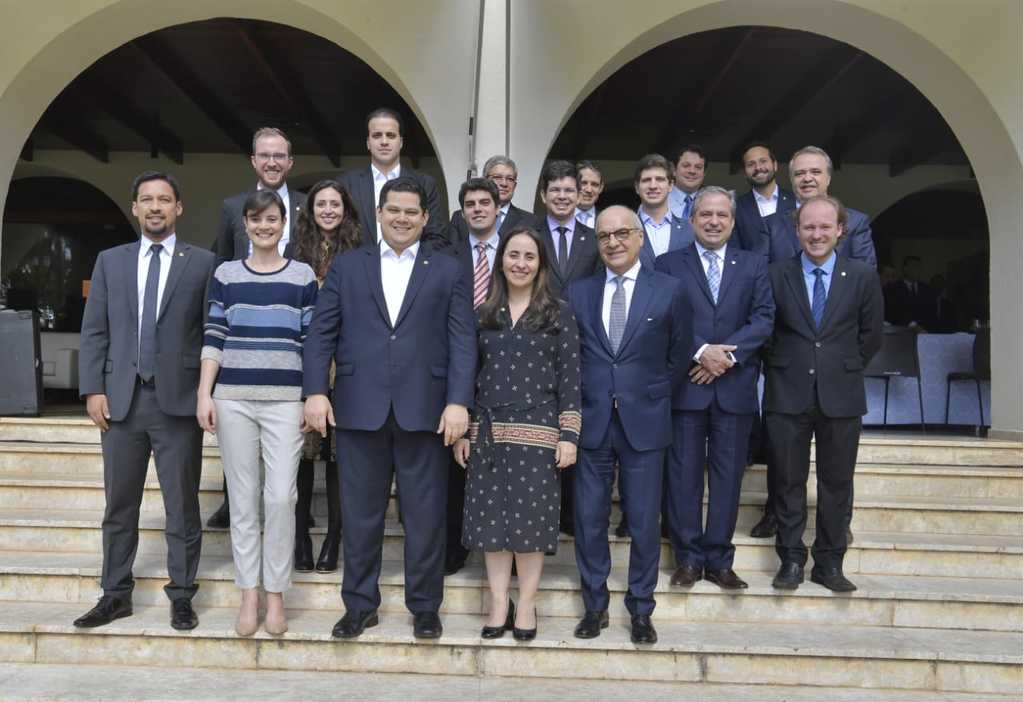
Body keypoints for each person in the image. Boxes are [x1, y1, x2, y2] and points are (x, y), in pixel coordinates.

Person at [303, 177, 476, 640]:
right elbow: (322, 333)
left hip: (427, 411)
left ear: (424, 218)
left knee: (425, 516)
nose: (401, 218)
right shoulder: (347, 267)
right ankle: (359, 606)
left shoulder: (447, 269)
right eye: (393, 209)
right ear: (379, 213)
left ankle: (425, 607)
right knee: (360, 516)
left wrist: (459, 401)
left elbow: (463, 340)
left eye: (411, 212)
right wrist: (316, 391)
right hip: (359, 410)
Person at [74, 171, 214, 631]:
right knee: (119, 506)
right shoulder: (111, 261)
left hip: (178, 403)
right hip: (121, 402)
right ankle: (115, 594)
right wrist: (93, 387)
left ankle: (181, 595)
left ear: (179, 208)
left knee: (182, 506)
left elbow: (211, 334)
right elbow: (95, 330)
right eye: (147, 200)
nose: (156, 207)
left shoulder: (203, 263)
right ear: (135, 207)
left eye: (165, 200)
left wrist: (206, 394)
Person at [197, 190, 317, 635]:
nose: (264, 226)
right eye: (255, 219)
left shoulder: (303, 275)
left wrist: (312, 396)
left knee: (282, 497)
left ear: (284, 223)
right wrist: (204, 394)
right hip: (233, 399)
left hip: (286, 400)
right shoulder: (226, 274)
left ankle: (276, 593)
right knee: (243, 501)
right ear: (244, 225)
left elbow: (312, 342)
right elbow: (214, 335)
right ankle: (249, 593)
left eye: (272, 219)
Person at [567, 206, 688, 645]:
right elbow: (571, 358)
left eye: (622, 233)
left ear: (640, 238)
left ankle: (641, 609)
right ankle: (594, 607)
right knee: (589, 519)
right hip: (592, 420)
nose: (613, 242)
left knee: (642, 521)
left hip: (646, 422)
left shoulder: (670, 291)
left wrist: (650, 393)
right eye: (604, 236)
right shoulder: (579, 292)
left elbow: (678, 355)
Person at [454, 225, 581, 641]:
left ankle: (525, 604)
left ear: (540, 263)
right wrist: (464, 433)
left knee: (529, 526)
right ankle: (497, 602)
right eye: (513, 255)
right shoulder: (483, 314)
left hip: (540, 433)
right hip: (488, 434)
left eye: (529, 256)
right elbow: (469, 377)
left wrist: (569, 434)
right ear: (501, 261)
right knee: (493, 527)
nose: (520, 263)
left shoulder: (558, 312)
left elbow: (571, 379)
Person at [750, 145, 878, 539]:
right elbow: (763, 298)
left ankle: (835, 534)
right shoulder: (773, 226)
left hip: (836, 369)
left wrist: (841, 360)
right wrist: (780, 360)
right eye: (800, 173)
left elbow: (866, 312)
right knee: (785, 464)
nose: (807, 178)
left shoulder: (856, 223)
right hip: (789, 369)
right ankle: (778, 518)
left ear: (828, 176)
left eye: (815, 172)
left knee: (837, 472)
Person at [655, 186, 774, 590]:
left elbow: (763, 319)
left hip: (735, 388)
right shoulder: (668, 264)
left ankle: (720, 561)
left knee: (727, 478)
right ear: (691, 220)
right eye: (705, 214)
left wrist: (725, 358)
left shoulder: (755, 264)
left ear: (733, 221)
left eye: (722, 215)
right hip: (687, 386)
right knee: (684, 476)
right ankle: (688, 559)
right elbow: (660, 319)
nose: (713, 221)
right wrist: (701, 351)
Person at [764, 195, 883, 593]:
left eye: (824, 227)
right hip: (786, 391)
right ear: (797, 232)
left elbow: (871, 336)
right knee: (786, 481)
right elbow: (766, 331)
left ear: (840, 231)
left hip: (842, 393)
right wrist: (785, 365)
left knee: (837, 483)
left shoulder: (862, 275)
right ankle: (791, 560)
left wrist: (841, 367)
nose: (816, 234)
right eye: (808, 227)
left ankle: (830, 564)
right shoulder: (776, 274)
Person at [207, 126, 304, 529]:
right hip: (241, 338)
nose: (272, 162)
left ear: (290, 161)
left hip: (286, 337)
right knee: (239, 445)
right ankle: (234, 503)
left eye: (279, 155)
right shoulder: (233, 207)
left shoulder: (305, 204)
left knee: (284, 480)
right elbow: (219, 260)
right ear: (253, 161)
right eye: (264, 155)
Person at [288, 179, 364, 573]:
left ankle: (334, 539)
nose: (329, 210)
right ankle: (300, 537)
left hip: (347, 363)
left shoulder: (360, 253)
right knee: (302, 457)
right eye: (322, 204)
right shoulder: (293, 252)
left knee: (338, 459)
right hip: (302, 362)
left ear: (346, 209)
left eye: (336, 204)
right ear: (310, 209)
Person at [444, 176, 503, 576]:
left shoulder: (515, 251)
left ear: (498, 207)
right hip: (458, 359)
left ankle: (501, 544)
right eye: (470, 204)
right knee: (454, 461)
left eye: (485, 202)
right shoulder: (448, 253)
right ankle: (455, 544)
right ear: (462, 212)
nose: (478, 208)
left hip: (504, 362)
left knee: (500, 457)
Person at [339, 107, 447, 242]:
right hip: (357, 262)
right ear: (368, 143)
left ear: (401, 142)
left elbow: (435, 236)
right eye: (377, 135)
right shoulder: (346, 184)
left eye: (391, 135)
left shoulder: (425, 184)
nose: (384, 142)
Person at [539, 159, 603, 301]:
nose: (562, 196)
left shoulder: (594, 239)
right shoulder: (529, 234)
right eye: (555, 190)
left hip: (580, 321)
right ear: (543, 195)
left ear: (579, 196)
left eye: (569, 190)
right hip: (537, 320)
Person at [447, 155, 539, 244]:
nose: (504, 183)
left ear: (515, 186)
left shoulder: (530, 221)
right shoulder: (459, 218)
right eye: (498, 177)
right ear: (484, 180)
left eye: (510, 179)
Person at [733, 142, 796, 255]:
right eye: (751, 164)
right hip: (752, 272)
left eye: (763, 161)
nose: (758, 167)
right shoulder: (736, 207)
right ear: (744, 173)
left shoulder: (795, 201)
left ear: (775, 165)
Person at [634, 153, 695, 267]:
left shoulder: (691, 229)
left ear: (671, 185)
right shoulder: (625, 230)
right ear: (637, 187)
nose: (653, 186)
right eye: (647, 180)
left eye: (660, 179)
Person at [667, 145, 707, 221]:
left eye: (698, 167)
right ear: (674, 170)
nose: (692, 171)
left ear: (704, 174)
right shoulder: (659, 200)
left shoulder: (712, 202)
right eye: (686, 166)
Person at [575, 160, 605, 229]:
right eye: (583, 183)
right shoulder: (560, 219)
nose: (589, 190)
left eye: (594, 184)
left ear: (601, 188)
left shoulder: (608, 220)